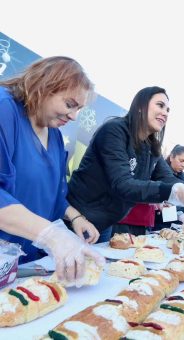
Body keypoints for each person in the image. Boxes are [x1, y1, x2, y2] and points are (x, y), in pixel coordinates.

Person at [0, 56, 104, 284]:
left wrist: (75, 218)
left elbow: (54, 195)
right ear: (43, 87)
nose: (74, 116)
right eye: (69, 105)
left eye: (79, 109)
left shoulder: (55, 136)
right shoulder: (5, 110)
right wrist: (51, 236)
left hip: (26, 262)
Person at [67, 86, 184, 242]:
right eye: (160, 105)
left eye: (168, 110)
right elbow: (123, 185)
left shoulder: (151, 147)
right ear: (141, 106)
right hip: (77, 218)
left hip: (105, 223)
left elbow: (169, 179)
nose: (165, 113)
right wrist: (173, 191)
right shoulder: (114, 131)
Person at [154, 144, 184, 230]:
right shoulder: (159, 173)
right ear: (172, 157)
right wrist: (178, 214)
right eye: (181, 160)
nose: (183, 165)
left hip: (179, 225)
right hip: (160, 224)